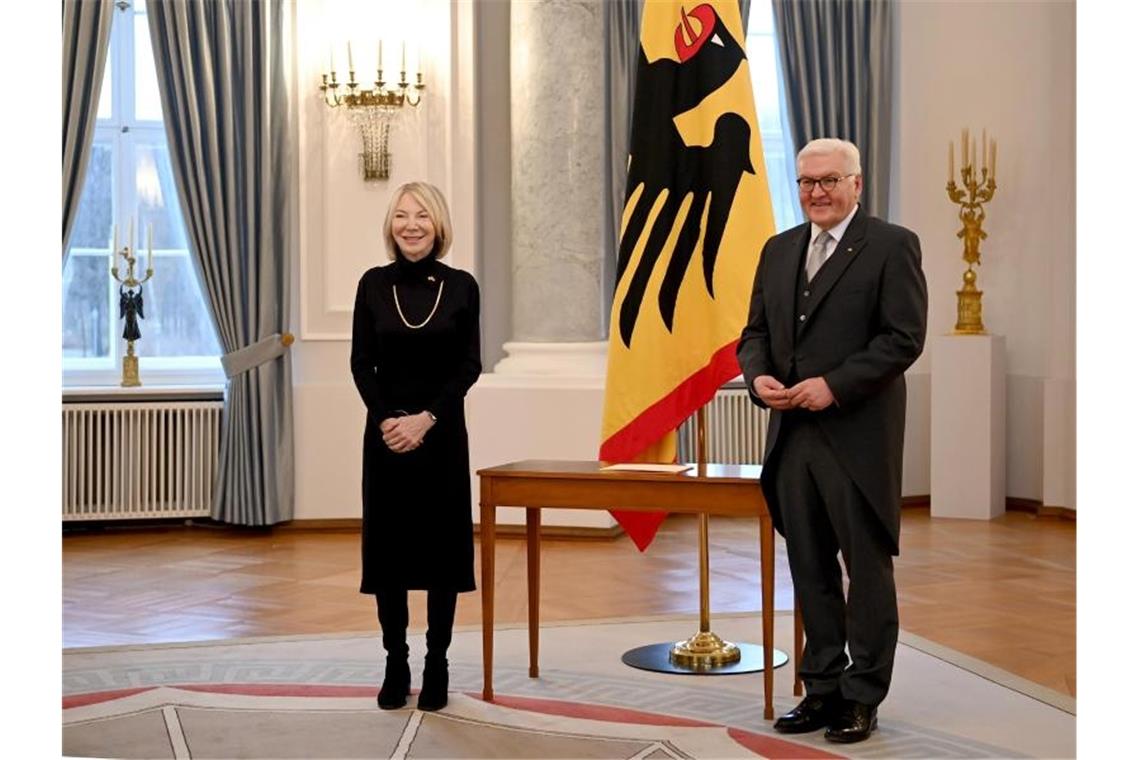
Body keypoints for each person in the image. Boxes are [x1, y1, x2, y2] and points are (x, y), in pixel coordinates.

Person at [737, 138, 927, 743]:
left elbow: (903, 338)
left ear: (856, 184)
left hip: (857, 436)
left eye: (828, 181)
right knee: (809, 566)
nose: (816, 192)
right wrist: (757, 375)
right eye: (805, 182)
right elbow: (755, 333)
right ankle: (821, 688)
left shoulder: (892, 246)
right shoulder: (778, 249)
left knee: (865, 572)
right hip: (791, 437)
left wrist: (834, 386)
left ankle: (862, 697)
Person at [350, 181, 482, 712]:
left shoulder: (463, 286)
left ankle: (438, 664)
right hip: (385, 439)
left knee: (441, 555)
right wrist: (388, 421)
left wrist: (427, 419)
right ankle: (395, 661)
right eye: (401, 215)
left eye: (421, 215)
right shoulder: (372, 284)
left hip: (442, 434)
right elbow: (362, 363)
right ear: (390, 225)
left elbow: (468, 365)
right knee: (390, 555)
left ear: (438, 224)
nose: (411, 225)